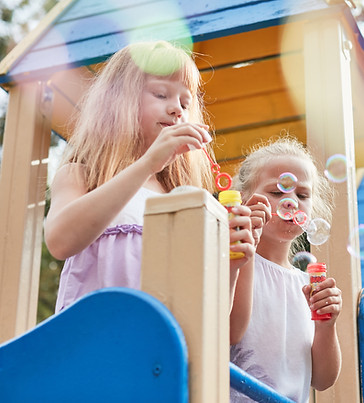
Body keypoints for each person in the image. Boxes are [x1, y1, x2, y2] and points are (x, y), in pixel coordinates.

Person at [44, 40, 263, 313]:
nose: (177, 109)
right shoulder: (83, 175)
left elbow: (216, 320)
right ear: (116, 101)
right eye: (161, 94)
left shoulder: (181, 199)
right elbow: (60, 241)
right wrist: (147, 164)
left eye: (186, 102)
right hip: (97, 342)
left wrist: (232, 264)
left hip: (161, 351)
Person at [230, 135, 342, 403]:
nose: (291, 201)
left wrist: (327, 325)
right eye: (277, 192)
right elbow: (231, 331)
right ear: (245, 198)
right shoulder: (232, 267)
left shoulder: (306, 282)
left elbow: (323, 379)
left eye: (302, 194)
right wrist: (246, 238)